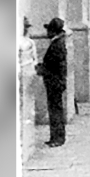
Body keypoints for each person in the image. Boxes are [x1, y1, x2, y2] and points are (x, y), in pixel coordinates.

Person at [36, 17, 68, 147]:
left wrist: (41, 69)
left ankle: (57, 138)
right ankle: (56, 137)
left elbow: (52, 66)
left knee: (55, 111)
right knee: (56, 110)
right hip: (57, 81)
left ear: (52, 31)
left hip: (54, 82)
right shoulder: (58, 43)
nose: (46, 33)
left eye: (48, 30)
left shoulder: (56, 46)